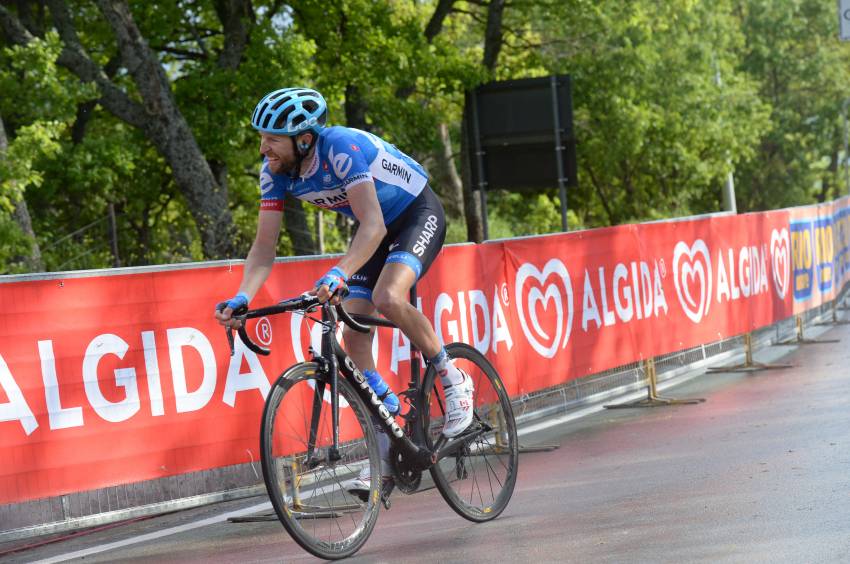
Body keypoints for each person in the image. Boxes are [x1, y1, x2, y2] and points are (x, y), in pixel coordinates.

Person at [214, 87, 474, 494]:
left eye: (272, 138)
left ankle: (452, 377)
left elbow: (373, 225)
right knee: (352, 332)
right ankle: (388, 426)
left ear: (303, 139)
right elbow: (264, 250)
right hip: (376, 230)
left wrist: (338, 272)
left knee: (388, 296)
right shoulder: (275, 173)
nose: (264, 147)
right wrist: (242, 296)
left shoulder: (339, 147)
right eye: (261, 137)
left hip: (415, 214)